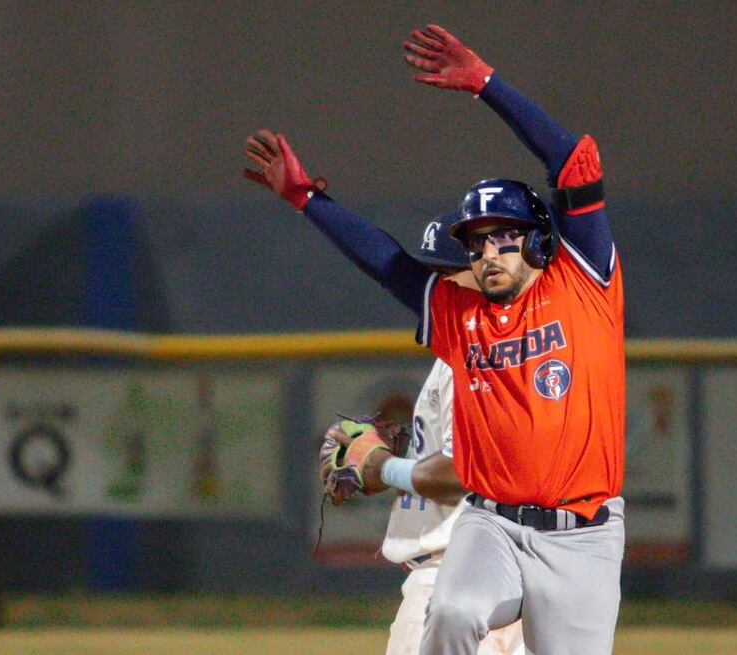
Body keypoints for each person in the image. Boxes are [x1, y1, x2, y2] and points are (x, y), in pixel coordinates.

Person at [243, 24, 624, 655]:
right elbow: (388, 264)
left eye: (503, 235)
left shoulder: (585, 283)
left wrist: (486, 85)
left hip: (582, 536)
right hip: (491, 523)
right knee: (450, 613)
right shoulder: (458, 314)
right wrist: (307, 200)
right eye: (476, 242)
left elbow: (575, 159)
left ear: (538, 239)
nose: (488, 251)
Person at [333, 212, 525, 655]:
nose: (436, 287)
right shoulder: (490, 349)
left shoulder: (477, 358)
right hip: (497, 578)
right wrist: (414, 450)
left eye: (447, 273)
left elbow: (463, 472)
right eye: (431, 275)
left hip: (453, 579)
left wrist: (383, 465)